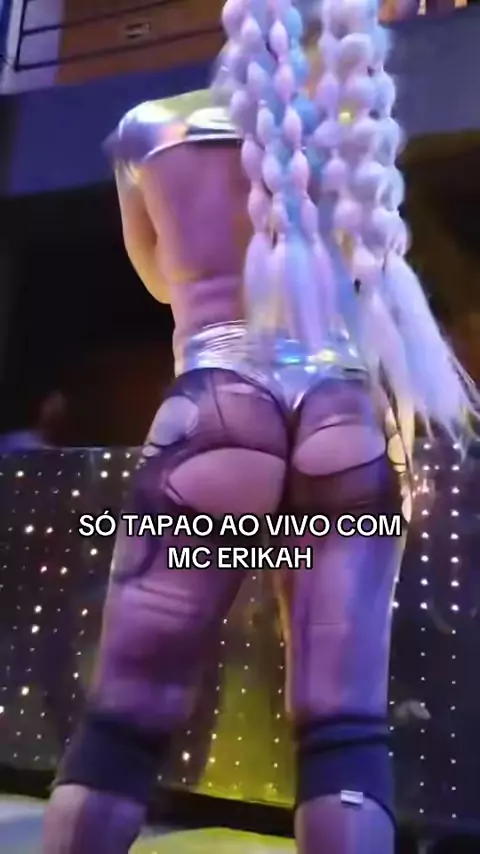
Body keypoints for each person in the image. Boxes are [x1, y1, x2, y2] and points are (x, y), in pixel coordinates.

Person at [40, 0, 479, 852]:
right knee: (345, 730)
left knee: (123, 720)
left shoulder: (150, 129)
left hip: (216, 408)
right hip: (342, 418)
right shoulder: (355, 136)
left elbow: (162, 282)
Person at [0, 388, 67, 452]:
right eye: (51, 404)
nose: (54, 410)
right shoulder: (14, 441)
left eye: (59, 406)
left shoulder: (59, 451)